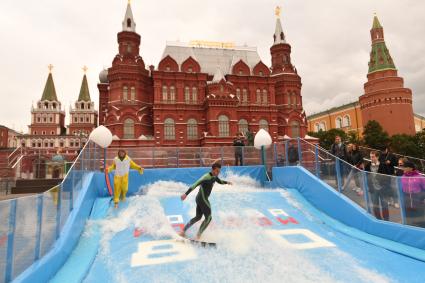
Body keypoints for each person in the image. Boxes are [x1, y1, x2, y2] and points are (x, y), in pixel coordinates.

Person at [180, 163, 232, 239]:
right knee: (209, 218)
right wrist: (186, 194)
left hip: (200, 198)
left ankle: (182, 231)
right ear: (212, 169)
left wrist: (227, 182)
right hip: (202, 199)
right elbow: (195, 184)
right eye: (216, 171)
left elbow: (220, 181)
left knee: (198, 217)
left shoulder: (215, 177)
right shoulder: (206, 177)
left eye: (219, 171)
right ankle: (198, 236)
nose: (217, 173)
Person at [364, 151, 391, 221]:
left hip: (383, 189)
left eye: (373, 157)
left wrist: (386, 187)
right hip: (373, 189)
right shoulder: (367, 166)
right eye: (370, 157)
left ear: (377, 157)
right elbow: (366, 178)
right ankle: (378, 219)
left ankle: (386, 220)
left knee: (384, 205)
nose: (371, 158)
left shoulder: (383, 165)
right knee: (375, 206)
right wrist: (370, 187)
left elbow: (388, 177)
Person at [401, 161, 425, 227]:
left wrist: (422, 198)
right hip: (407, 203)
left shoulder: (419, 177)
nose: (403, 168)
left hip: (418, 203)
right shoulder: (403, 177)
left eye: (405, 167)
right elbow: (401, 190)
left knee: (420, 221)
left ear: (410, 168)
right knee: (409, 221)